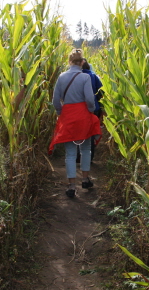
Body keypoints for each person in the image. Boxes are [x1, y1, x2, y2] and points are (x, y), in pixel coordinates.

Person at [49, 49, 102, 198]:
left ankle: (71, 186)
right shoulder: (85, 77)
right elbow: (90, 100)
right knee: (86, 149)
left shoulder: (61, 77)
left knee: (70, 153)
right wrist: (90, 111)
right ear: (82, 62)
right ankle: (85, 179)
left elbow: (55, 100)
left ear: (69, 62)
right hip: (83, 116)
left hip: (68, 116)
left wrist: (61, 112)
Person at [76, 58, 103, 163]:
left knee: (78, 131)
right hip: (92, 109)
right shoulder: (93, 76)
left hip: (78, 109)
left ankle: (78, 155)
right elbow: (101, 93)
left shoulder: (74, 76)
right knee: (90, 133)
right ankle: (89, 158)